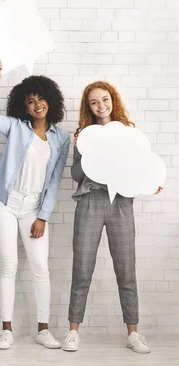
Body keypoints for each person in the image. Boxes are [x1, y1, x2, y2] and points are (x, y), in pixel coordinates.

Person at [63, 81, 162, 354]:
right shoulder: (83, 134)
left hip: (121, 204)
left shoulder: (129, 132)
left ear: (113, 100)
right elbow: (75, 176)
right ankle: (73, 331)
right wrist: (81, 150)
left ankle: (133, 333)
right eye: (94, 102)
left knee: (126, 270)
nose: (100, 105)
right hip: (90, 203)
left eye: (104, 99)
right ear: (88, 107)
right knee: (81, 269)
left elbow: (142, 167)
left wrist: (153, 181)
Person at [0, 58, 70, 350]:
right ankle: (6, 329)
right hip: (6, 203)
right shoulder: (16, 128)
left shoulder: (61, 138)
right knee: (8, 265)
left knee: (40, 267)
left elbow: (55, 181)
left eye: (41, 98)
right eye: (31, 101)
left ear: (50, 100)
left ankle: (43, 329)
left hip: (34, 208)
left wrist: (43, 216)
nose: (37, 104)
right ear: (24, 106)